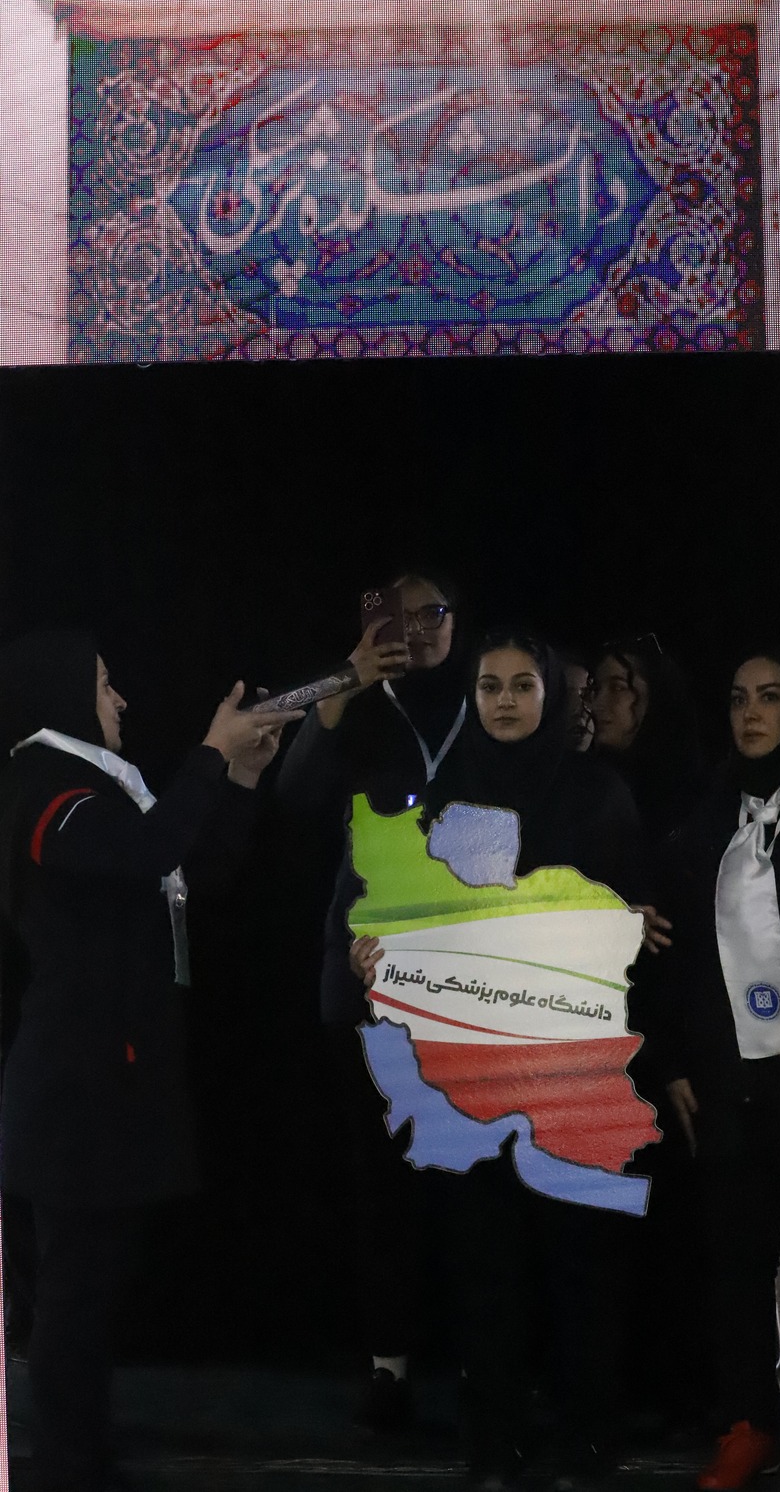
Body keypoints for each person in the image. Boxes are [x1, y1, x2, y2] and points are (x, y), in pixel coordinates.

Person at [0, 627, 301, 1492]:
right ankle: (68, 1465)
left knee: (95, 1286)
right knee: (73, 1291)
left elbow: (196, 870)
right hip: (76, 1085)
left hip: (113, 1079)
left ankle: (84, 1451)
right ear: (60, 692)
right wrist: (209, 751)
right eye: (103, 684)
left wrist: (240, 776)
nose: (120, 699)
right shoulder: (41, 785)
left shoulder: (102, 788)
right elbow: (145, 849)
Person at [350, 631, 650, 1492]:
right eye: (490, 687)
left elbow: (630, 925)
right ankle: (493, 1447)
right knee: (486, 1274)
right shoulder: (445, 801)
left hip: (575, 1077)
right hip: (472, 1083)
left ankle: (587, 1444)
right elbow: (403, 921)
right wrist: (375, 956)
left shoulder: (598, 794)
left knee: (580, 1269)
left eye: (522, 685)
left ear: (552, 695)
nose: (506, 701)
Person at [658, 645, 780, 1492]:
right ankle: (746, 1424)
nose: (751, 713)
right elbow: (671, 948)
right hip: (727, 1077)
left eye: (771, 696)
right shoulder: (709, 812)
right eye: (740, 697)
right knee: (734, 1260)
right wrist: (673, 1061)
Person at [273, 571, 468, 1430]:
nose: (417, 629)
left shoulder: (486, 701)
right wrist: (344, 683)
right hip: (368, 977)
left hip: (474, 981)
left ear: (457, 622)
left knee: (475, 1180)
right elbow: (294, 795)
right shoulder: (352, 706)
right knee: (381, 1185)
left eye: (433, 614)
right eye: (400, 616)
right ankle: (389, 1364)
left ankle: (484, 1357)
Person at [589, 634, 703, 850]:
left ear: (657, 696)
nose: (597, 704)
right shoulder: (586, 786)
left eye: (618, 688)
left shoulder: (699, 803)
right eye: (596, 689)